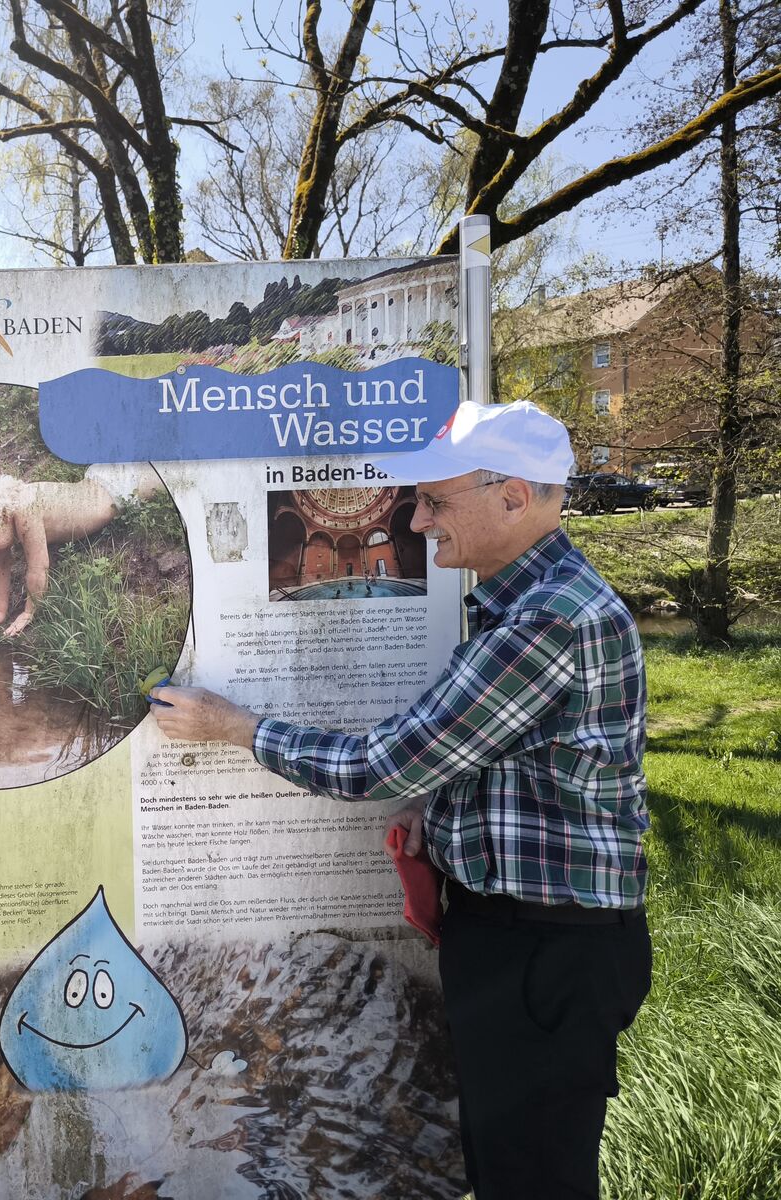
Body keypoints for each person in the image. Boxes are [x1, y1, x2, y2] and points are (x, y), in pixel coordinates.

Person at [151, 400, 651, 1200]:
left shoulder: (549, 621)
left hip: (544, 956)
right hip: (534, 944)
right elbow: (518, 757)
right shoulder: (528, 603)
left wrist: (234, 727)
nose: (417, 522)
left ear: (514, 496)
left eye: (437, 501)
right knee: (508, 1166)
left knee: (534, 1179)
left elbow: (378, 765)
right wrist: (448, 810)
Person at [0, 465, 160, 636]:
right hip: (99, 480)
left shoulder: (26, 508)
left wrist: (29, 612)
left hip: (119, 486)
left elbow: (38, 568)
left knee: (174, 479)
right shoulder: (1, 519)